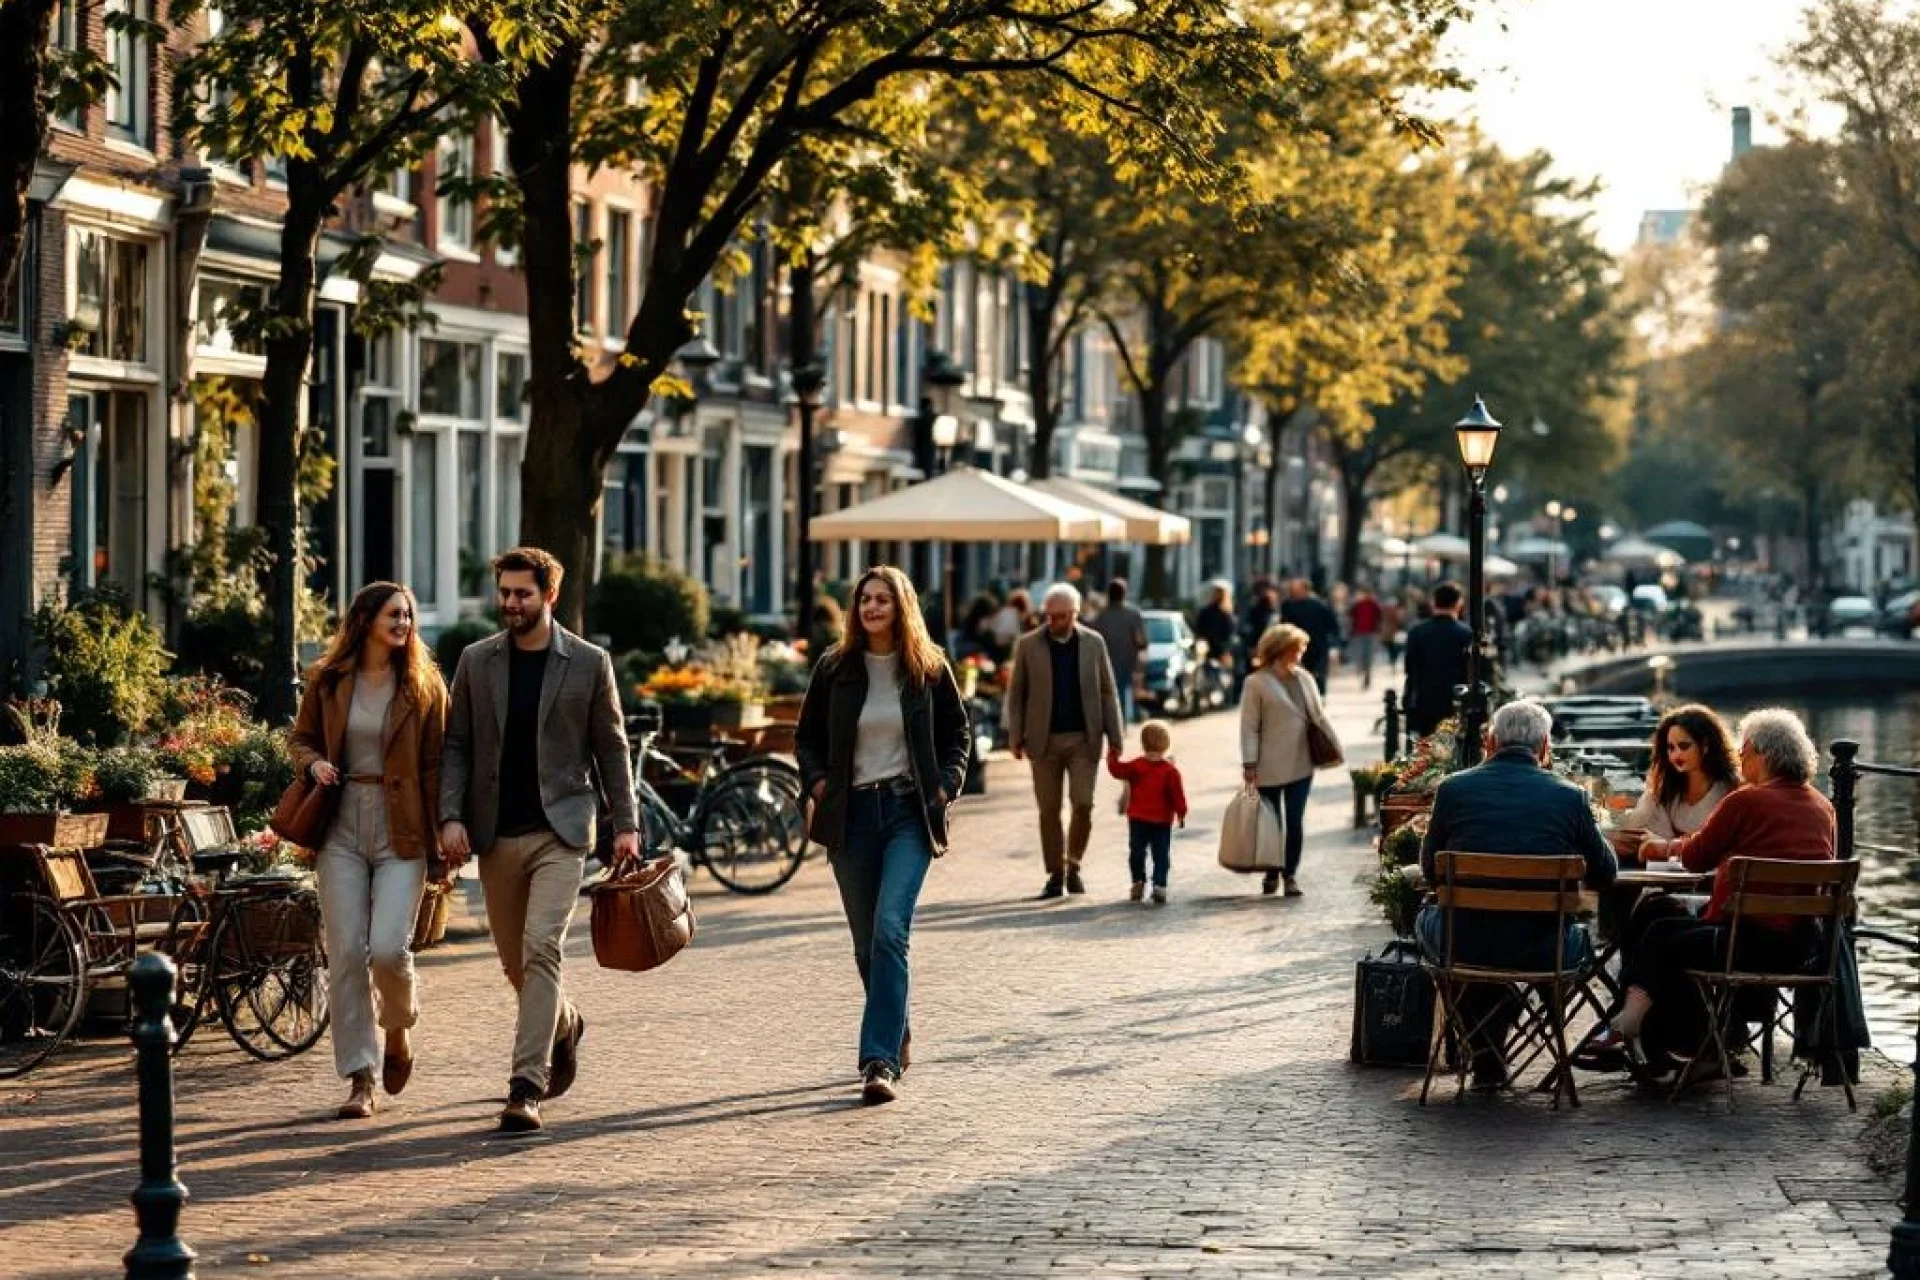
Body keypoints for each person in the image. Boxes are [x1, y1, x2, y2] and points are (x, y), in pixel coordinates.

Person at [440, 547, 640, 1134]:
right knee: (514, 962)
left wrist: (624, 824)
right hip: (496, 833)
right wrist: (450, 816)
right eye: (504, 592)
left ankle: (526, 1084)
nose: (510, 603)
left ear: (548, 596)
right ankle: (566, 1021)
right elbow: (456, 746)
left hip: (562, 831)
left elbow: (612, 746)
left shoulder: (586, 662)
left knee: (540, 947)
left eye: (522, 594)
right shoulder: (477, 661)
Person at [794, 566, 972, 1105]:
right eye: (864, 600)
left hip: (906, 813)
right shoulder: (835, 667)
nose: (871, 608)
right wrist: (820, 782)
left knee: (892, 930)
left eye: (882, 600)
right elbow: (806, 738)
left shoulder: (928, 669)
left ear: (901, 607)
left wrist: (945, 785)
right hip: (850, 817)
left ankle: (880, 1060)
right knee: (866, 944)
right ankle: (896, 1024)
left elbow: (958, 733)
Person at [1603, 709, 1837, 1076]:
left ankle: (1635, 1025)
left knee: (1661, 929)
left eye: (1745, 751)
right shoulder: (1824, 807)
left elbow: (1696, 857)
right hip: (1802, 947)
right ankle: (1676, 1042)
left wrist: (1663, 848)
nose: (1741, 758)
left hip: (1742, 944)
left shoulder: (1746, 801)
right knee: (1660, 913)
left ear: (1764, 754)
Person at [289, 582, 447, 1120]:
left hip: (402, 827)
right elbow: (301, 738)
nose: (403, 623)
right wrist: (313, 764)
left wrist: (445, 831)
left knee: (387, 950)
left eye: (407, 614)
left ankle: (398, 1030)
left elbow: (439, 765)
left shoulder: (425, 686)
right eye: (392, 614)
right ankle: (360, 1077)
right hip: (341, 826)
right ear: (365, 621)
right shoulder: (329, 680)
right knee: (347, 953)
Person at [1415, 700, 1618, 1089]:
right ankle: (1518, 1026)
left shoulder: (1454, 789)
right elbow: (1606, 874)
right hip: (1543, 950)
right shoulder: (1569, 796)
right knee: (1561, 938)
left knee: (1436, 925)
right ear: (1545, 747)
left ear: (1490, 741)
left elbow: (1429, 869)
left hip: (1465, 944)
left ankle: (1486, 1050)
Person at [1005, 582, 1126, 899]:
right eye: (1050, 616)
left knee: (1083, 804)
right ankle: (1055, 874)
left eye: (1061, 616)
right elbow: (1016, 694)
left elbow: (1107, 691)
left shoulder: (1094, 643)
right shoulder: (1029, 645)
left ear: (1075, 614)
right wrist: (1015, 735)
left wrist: (1116, 736)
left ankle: (1074, 864)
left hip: (1084, 738)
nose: (1054, 622)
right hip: (1042, 740)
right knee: (1048, 810)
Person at [1239, 623, 1343, 898]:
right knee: (1272, 823)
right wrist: (1249, 764)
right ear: (1280, 650)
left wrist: (1335, 749)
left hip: (1301, 761)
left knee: (1295, 820)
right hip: (1268, 764)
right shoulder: (1256, 683)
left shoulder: (1304, 678)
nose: (1300, 655)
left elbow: (1319, 716)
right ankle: (1272, 871)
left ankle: (1290, 875)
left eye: (1301, 650)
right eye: (1296, 650)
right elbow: (1249, 726)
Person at [1622, 705, 1740, 840]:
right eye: (1671, 748)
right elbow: (1634, 830)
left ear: (1705, 745)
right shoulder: (1664, 788)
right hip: (1664, 859)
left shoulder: (1731, 788)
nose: (1676, 755)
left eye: (1684, 746)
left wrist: (1665, 844)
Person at [1106, 719, 1188, 905]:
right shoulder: (1149, 767)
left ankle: (1147, 883)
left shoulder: (1167, 771)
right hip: (1150, 820)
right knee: (1158, 854)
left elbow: (1117, 770)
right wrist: (1181, 813)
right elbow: (1178, 797)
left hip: (1145, 820)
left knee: (1139, 853)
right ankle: (1148, 883)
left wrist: (1112, 755)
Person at [1402, 580, 1473, 739]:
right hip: (1455, 703)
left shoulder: (1417, 632)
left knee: (1424, 753)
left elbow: (1410, 669)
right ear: (1458, 604)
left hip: (1424, 701)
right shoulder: (1466, 634)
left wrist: (1407, 702)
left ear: (1433, 602)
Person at [1089, 577, 1148, 724]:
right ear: (1124, 594)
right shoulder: (1133, 614)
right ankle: (1129, 720)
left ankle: (1116, 721)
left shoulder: (1102, 615)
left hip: (1107, 660)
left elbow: (1093, 637)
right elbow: (1141, 640)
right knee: (1127, 689)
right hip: (1128, 660)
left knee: (1111, 692)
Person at [1280, 578, 1341, 689]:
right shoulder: (1288, 605)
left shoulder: (1319, 606)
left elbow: (1332, 625)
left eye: (1296, 589)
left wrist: (1334, 645)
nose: (1293, 592)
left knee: (1318, 673)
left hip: (1317, 644)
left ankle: (1319, 694)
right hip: (1297, 644)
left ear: (1305, 590)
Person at [1193, 580, 1239, 702]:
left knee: (1224, 673)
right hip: (1208, 648)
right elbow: (1199, 630)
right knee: (1204, 670)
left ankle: (1225, 696)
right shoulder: (1205, 612)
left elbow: (1230, 633)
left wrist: (1226, 650)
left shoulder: (1227, 613)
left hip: (1222, 649)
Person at [1347, 588, 1383, 691]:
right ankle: (1362, 671)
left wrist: (1378, 632)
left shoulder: (1374, 604)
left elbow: (1379, 618)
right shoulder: (1357, 605)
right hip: (1359, 633)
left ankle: (1367, 677)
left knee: (1369, 656)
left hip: (1371, 634)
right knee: (1360, 656)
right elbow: (1350, 616)